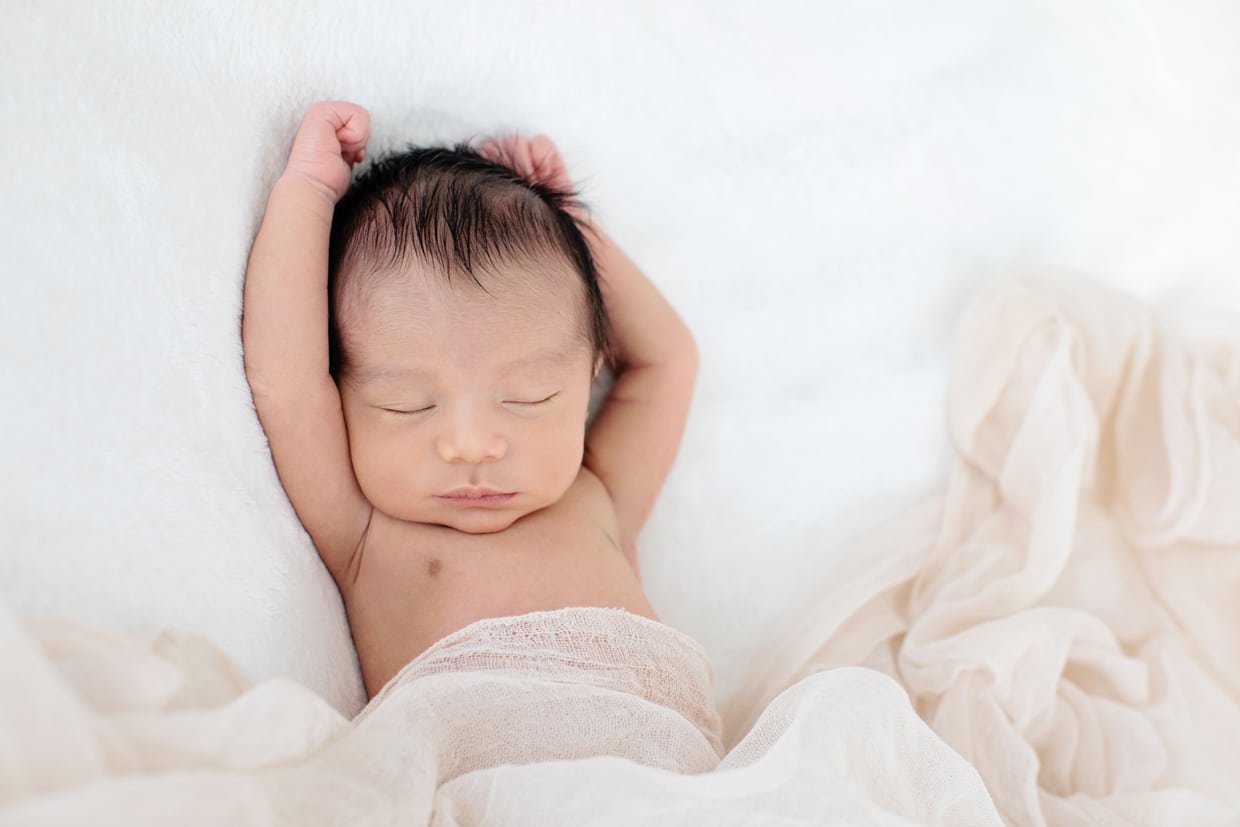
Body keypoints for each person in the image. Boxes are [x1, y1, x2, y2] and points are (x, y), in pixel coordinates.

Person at [242, 101, 721, 775]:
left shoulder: (601, 496)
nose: (470, 445)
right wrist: (307, 195)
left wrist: (570, 224)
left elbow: (668, 361)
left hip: (674, 789)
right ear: (345, 392)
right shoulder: (366, 532)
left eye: (529, 398)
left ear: (588, 380)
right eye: (406, 405)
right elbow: (285, 381)